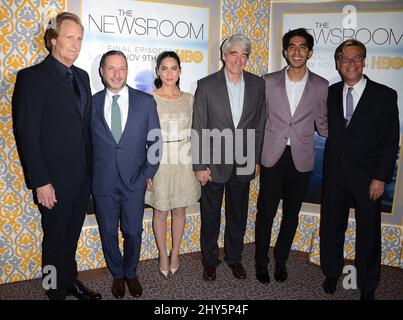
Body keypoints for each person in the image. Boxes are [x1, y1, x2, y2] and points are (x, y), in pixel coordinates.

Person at [12, 12, 101, 300]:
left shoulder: (83, 76)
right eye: (69, 37)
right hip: (52, 180)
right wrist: (40, 181)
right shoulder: (32, 78)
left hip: (82, 175)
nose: (75, 44)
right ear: (53, 40)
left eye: (79, 38)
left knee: (71, 234)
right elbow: (27, 134)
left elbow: (84, 126)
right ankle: (53, 291)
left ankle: (69, 281)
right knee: (54, 239)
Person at [320, 39, 399, 300]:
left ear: (364, 61)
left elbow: (390, 141)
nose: (351, 63)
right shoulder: (329, 93)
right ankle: (331, 272)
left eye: (356, 58)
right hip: (334, 176)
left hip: (369, 178)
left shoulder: (385, 95)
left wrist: (380, 177)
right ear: (338, 63)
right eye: (345, 58)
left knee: (368, 232)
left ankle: (367, 284)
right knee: (331, 227)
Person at [255, 28, 328, 284]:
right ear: (285, 52)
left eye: (303, 47)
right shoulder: (268, 81)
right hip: (273, 156)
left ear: (310, 52)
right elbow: (260, 120)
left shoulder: (321, 85)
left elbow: (323, 124)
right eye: (292, 47)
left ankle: (281, 261)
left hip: (302, 158)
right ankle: (261, 262)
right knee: (266, 212)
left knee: (291, 214)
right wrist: (255, 158)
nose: (297, 51)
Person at [192, 34, 266, 281]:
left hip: (244, 161)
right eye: (233, 53)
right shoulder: (206, 85)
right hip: (213, 164)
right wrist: (200, 165)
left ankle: (234, 258)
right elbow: (199, 127)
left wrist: (256, 159)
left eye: (244, 55)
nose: (238, 59)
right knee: (210, 215)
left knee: (238, 215)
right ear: (224, 56)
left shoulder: (258, 85)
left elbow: (259, 125)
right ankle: (210, 260)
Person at [91, 50, 161, 298]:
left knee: (133, 231)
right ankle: (117, 274)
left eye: (121, 68)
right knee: (108, 231)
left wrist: (148, 172)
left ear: (127, 71)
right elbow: (84, 144)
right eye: (111, 68)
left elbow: (155, 141)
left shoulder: (145, 101)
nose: (116, 74)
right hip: (103, 181)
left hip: (135, 180)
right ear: (102, 71)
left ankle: (131, 272)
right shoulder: (92, 103)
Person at [145, 51, 200, 278]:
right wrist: (146, 170)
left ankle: (176, 253)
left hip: (184, 161)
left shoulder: (190, 99)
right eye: (164, 68)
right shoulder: (148, 98)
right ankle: (163, 254)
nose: (169, 73)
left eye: (174, 68)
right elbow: (143, 136)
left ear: (179, 71)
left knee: (179, 210)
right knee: (160, 212)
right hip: (159, 161)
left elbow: (198, 133)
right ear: (158, 71)